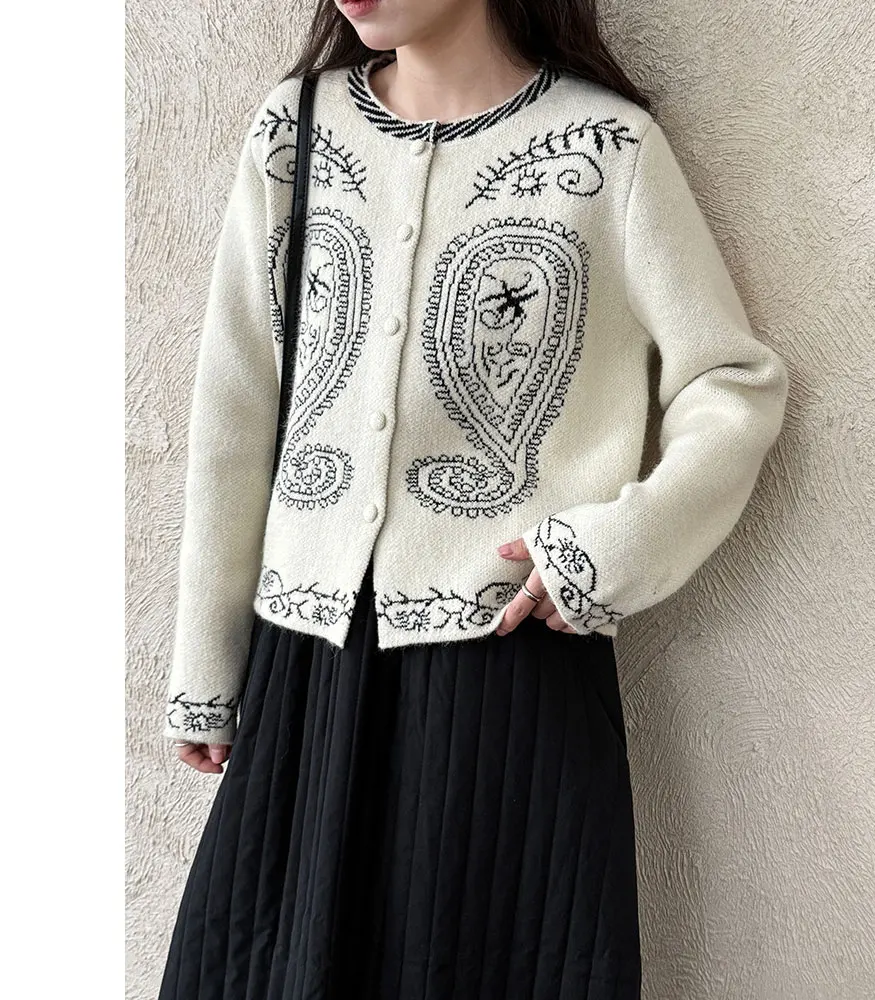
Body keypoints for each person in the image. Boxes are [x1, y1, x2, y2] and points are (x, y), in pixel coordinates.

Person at [157, 0, 789, 997]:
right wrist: (207, 659)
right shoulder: (297, 129)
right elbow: (235, 409)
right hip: (307, 666)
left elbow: (732, 381)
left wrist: (611, 549)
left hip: (511, 666)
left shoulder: (605, 149)